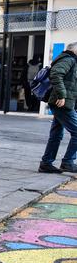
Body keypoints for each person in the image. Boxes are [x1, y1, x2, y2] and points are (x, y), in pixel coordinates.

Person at [39, 42, 77, 173]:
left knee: (56, 134)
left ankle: (46, 163)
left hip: (63, 103)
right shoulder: (69, 59)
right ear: (74, 50)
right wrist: (62, 95)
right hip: (61, 103)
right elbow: (56, 74)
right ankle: (67, 162)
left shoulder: (70, 60)